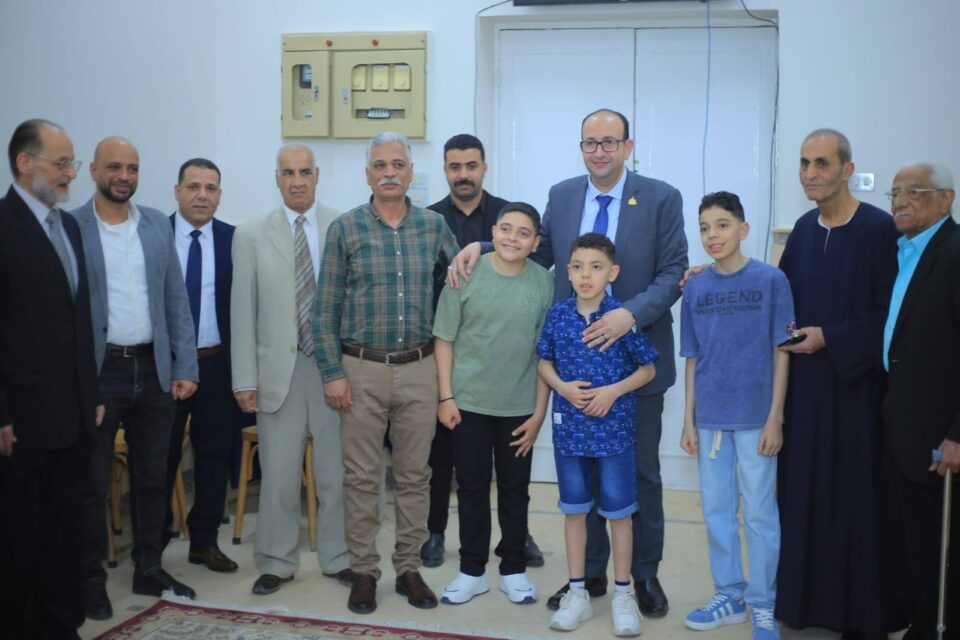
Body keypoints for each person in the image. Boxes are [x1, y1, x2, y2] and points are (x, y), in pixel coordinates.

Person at [451, 109, 687, 616]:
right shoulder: (562, 196)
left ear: (628, 146)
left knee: (639, 474)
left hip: (632, 364)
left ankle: (642, 576)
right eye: (590, 143)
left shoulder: (661, 197)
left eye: (609, 142)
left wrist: (630, 314)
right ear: (580, 148)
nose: (599, 151)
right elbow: (536, 252)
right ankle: (590, 576)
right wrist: (483, 245)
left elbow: (673, 272)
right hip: (575, 369)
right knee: (582, 475)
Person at [313, 132, 460, 615]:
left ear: (412, 173)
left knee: (415, 476)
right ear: (368, 174)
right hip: (361, 370)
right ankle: (364, 572)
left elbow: (464, 281)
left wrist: (483, 249)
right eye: (380, 165)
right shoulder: (346, 229)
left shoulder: (434, 226)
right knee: (361, 478)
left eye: (398, 164)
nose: (390, 172)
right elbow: (324, 309)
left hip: (419, 369)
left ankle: (409, 568)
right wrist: (332, 372)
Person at [774, 129, 899, 639]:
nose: (810, 173)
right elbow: (780, 299)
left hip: (856, 391)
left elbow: (891, 316)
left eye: (822, 163)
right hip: (804, 391)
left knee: (853, 502)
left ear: (847, 170)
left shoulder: (880, 230)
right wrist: (716, 276)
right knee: (802, 495)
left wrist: (830, 337)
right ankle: (803, 606)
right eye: (804, 163)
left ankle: (857, 614)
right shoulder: (804, 229)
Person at [75, 136, 199, 619]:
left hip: (153, 369)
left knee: (152, 477)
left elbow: (175, 298)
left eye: (132, 168)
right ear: (94, 171)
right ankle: (89, 580)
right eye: (114, 167)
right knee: (92, 482)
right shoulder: (73, 227)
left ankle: (148, 567)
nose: (124, 176)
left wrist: (184, 365)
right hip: (100, 372)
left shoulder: (153, 224)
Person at [230, 143, 351, 596]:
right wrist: (244, 379)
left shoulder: (343, 225)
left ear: (317, 176)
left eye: (304, 172)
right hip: (276, 373)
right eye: (288, 173)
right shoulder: (250, 234)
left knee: (336, 474)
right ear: (276, 178)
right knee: (278, 477)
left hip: (333, 369)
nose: (297, 181)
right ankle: (276, 562)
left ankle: (340, 557)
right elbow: (243, 311)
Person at [422, 134, 544, 568]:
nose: (463, 175)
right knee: (442, 456)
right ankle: (436, 531)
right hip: (447, 349)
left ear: (484, 168)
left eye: (471, 166)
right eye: (455, 167)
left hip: (502, 364)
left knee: (511, 471)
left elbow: (529, 253)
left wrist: (485, 245)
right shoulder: (430, 219)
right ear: (445, 170)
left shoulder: (506, 214)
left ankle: (518, 535)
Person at [0, 119, 101, 639]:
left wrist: (92, 394)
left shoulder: (69, 228)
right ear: (25, 163)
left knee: (64, 529)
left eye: (71, 163)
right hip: (21, 419)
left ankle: (61, 624)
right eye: (61, 163)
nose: (70, 174)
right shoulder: (4, 227)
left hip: (73, 414)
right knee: (21, 535)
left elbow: (79, 320)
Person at [678, 192, 791, 640]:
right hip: (710, 420)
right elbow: (692, 358)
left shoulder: (771, 280)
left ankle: (764, 603)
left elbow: (782, 351)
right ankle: (730, 595)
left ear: (743, 229)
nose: (713, 235)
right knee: (717, 512)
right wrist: (688, 420)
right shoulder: (695, 287)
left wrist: (775, 416)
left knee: (760, 514)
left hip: (756, 418)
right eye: (705, 227)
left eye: (722, 225)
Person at [537, 233, 658, 636]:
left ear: (612, 272)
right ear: (568, 271)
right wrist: (562, 387)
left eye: (595, 267)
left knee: (619, 515)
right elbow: (544, 362)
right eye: (578, 267)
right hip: (570, 434)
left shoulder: (621, 318)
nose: (585, 275)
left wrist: (613, 391)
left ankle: (623, 595)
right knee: (574, 511)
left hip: (614, 434)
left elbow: (648, 370)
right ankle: (578, 594)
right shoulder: (558, 316)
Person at [433, 202, 553, 606]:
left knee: (516, 489)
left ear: (535, 243)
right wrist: (446, 396)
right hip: (467, 404)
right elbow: (444, 338)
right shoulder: (465, 273)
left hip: (519, 408)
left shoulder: (543, 283)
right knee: (470, 487)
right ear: (493, 233)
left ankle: (513, 569)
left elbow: (545, 356)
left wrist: (539, 414)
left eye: (523, 233)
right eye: (506, 229)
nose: (512, 238)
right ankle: (472, 570)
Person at [881, 163, 959, 640]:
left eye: (915, 191)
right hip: (904, 425)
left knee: (940, 543)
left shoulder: (955, 251)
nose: (901, 201)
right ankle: (918, 621)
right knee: (913, 537)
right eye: (895, 193)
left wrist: (957, 433)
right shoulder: (907, 251)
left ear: (946, 199)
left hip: (940, 433)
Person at [162, 158, 248, 573]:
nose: (201, 195)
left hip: (216, 365)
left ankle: (204, 541)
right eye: (193, 187)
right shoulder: (155, 236)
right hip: (166, 370)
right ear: (177, 191)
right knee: (159, 460)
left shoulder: (234, 239)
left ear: (219, 195)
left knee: (213, 459)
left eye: (210, 188)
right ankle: (151, 547)